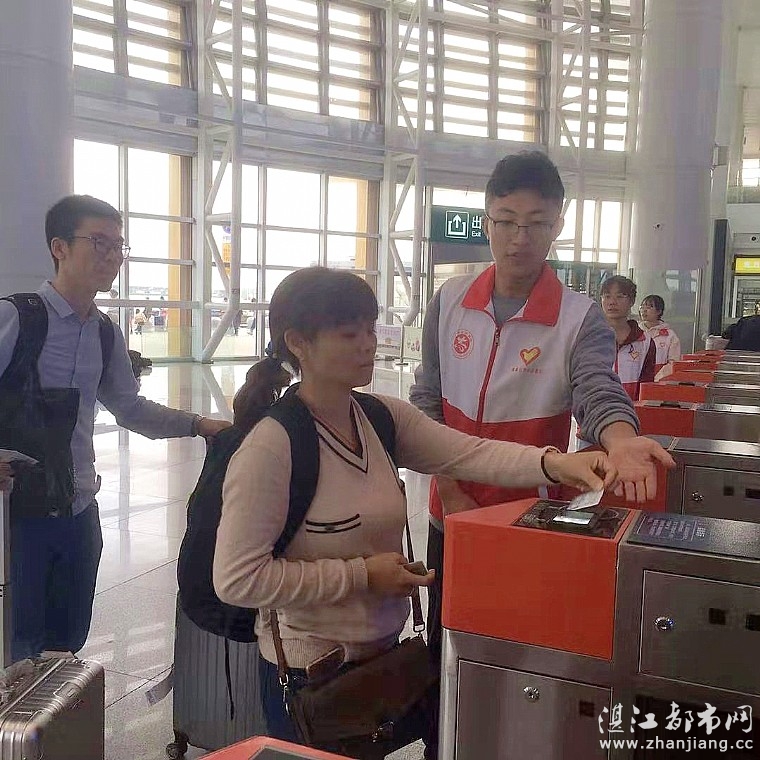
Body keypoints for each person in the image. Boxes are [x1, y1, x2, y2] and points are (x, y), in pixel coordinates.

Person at [212, 267, 618, 756]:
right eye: (349, 335)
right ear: (298, 343)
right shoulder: (272, 447)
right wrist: (363, 575)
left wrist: (556, 464)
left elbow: (468, 453)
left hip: (380, 664)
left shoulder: (380, 417)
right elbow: (237, 580)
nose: (368, 344)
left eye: (370, 329)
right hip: (311, 676)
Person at [409, 152, 674, 751]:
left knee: (520, 660)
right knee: (447, 651)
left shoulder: (579, 318)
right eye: (505, 221)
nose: (518, 238)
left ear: (558, 225)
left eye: (536, 223)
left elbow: (598, 391)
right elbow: (426, 400)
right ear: (486, 220)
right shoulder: (449, 301)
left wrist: (622, 439)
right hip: (450, 519)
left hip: (528, 523)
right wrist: (449, 487)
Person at [0, 194, 230, 662]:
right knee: (16, 646)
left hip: (78, 508)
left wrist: (200, 425)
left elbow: (130, 408)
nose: (111, 256)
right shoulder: (17, 317)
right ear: (59, 247)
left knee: (66, 642)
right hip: (16, 515)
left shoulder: (104, 332)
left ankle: (52, 712)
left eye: (118, 246)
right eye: (99, 243)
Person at [600, 276, 656, 400]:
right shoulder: (589, 338)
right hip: (595, 409)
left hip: (630, 410)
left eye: (620, 296)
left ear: (632, 301)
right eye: (607, 296)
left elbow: (646, 386)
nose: (612, 302)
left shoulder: (645, 342)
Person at [638, 294, 681, 372]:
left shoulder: (670, 335)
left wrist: (659, 377)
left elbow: (673, 362)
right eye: (642, 307)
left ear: (659, 311)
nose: (644, 310)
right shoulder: (635, 332)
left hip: (660, 378)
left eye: (649, 307)